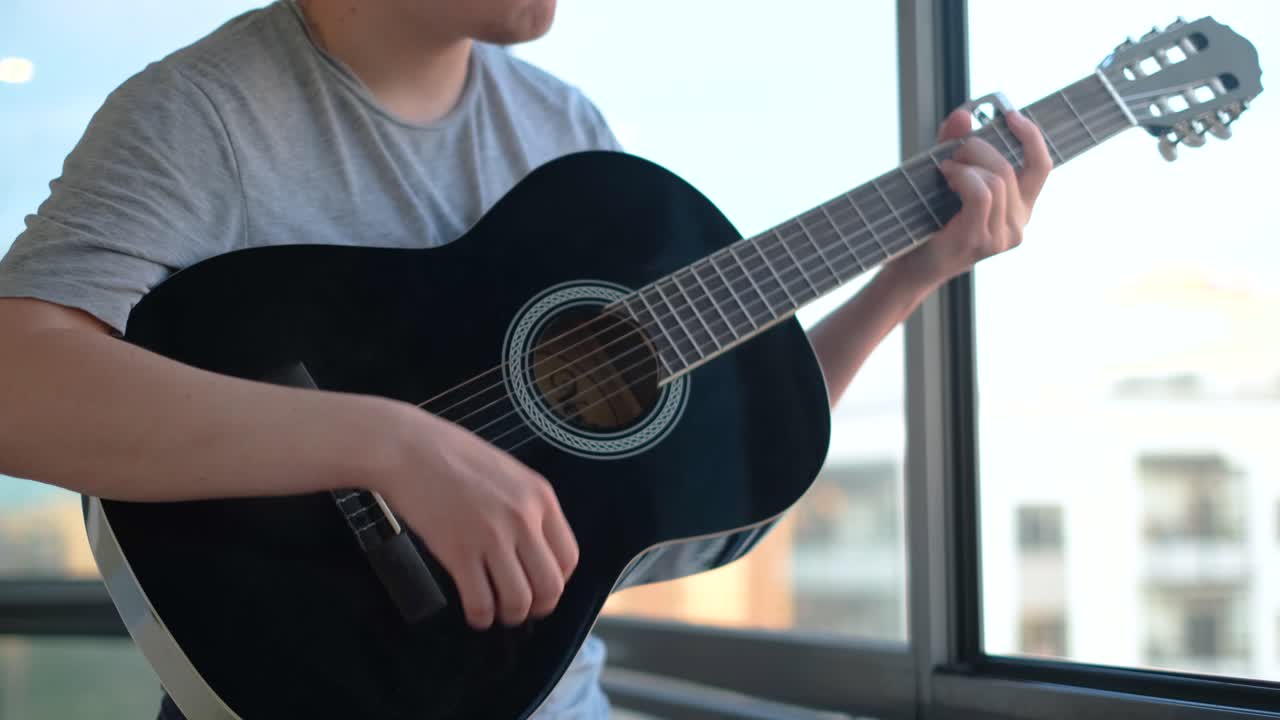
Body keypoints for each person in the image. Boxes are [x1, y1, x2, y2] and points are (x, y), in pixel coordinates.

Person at [0, 1, 1052, 718]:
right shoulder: (202, 115)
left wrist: (907, 277)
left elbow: (661, 505)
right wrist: (387, 445)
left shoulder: (564, 133)